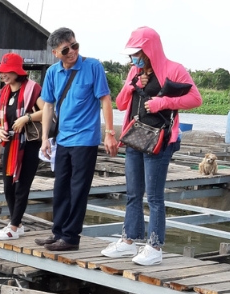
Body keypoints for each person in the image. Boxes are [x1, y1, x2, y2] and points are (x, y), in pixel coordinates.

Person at [101, 27, 202, 266]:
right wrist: (132, 84)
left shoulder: (173, 69)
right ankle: (128, 241)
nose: (133, 58)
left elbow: (195, 98)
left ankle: (155, 246)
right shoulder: (134, 72)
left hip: (160, 139)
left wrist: (163, 102)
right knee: (133, 193)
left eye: (137, 53)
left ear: (149, 49)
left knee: (154, 196)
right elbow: (121, 103)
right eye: (131, 54)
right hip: (135, 137)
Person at [36, 28, 118, 251]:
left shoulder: (92, 66)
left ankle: (71, 237)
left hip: (85, 139)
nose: (72, 51)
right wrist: (45, 138)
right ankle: (58, 232)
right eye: (66, 49)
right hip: (63, 139)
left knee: (78, 188)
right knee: (60, 187)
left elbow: (105, 100)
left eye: (75, 46)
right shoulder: (53, 72)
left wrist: (109, 133)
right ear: (56, 52)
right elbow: (48, 105)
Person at [0, 53, 45, 240]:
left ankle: (13, 226)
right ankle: (18, 223)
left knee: (22, 185)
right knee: (8, 185)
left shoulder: (33, 88)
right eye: (1, 72)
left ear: (16, 71)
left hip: (28, 144)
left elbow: (47, 111)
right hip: (11, 142)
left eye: (6, 71)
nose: (3, 75)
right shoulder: (3, 92)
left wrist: (27, 117)